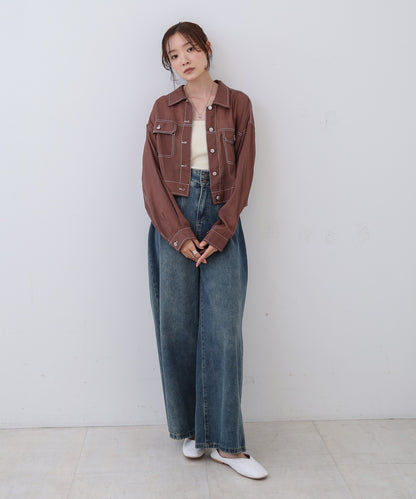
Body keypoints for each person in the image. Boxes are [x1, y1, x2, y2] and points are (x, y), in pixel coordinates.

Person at [142, 21, 268, 480]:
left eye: (190, 49)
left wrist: (218, 233)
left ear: (207, 49)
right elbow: (151, 180)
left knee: (223, 332)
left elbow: (244, 175)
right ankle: (195, 431)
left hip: (221, 219)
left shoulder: (239, 104)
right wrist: (178, 235)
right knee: (176, 328)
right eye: (174, 55)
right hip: (171, 220)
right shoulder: (162, 108)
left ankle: (229, 446)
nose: (184, 60)